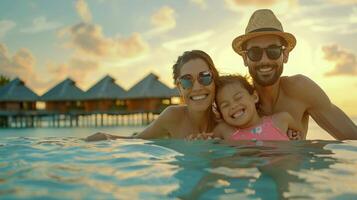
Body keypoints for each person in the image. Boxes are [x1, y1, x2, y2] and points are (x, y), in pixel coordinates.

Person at [231, 9, 357, 139]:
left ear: (285, 55)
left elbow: (353, 138)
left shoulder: (301, 90)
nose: (265, 60)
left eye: (273, 51)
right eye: (255, 52)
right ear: (245, 58)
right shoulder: (236, 104)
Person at [85, 50, 219, 141]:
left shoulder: (227, 116)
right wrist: (106, 137)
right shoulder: (173, 117)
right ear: (179, 87)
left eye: (205, 77)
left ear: (215, 80)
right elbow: (136, 141)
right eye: (186, 80)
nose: (197, 87)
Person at [213, 74, 302, 141]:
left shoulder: (281, 120)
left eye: (238, 98)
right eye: (225, 105)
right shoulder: (223, 130)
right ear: (220, 113)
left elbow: (300, 135)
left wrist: (295, 136)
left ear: (254, 97)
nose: (233, 106)